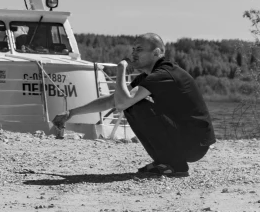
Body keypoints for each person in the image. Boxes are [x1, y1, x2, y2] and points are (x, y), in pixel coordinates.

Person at [52, 33, 216, 178]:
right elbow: (113, 100)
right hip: (186, 140)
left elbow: (123, 102)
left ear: (156, 53)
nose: (133, 54)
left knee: (133, 105)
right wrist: (71, 112)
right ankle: (165, 161)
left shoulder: (163, 74)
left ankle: (175, 165)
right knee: (131, 103)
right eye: (133, 49)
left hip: (194, 144)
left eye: (139, 50)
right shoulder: (149, 75)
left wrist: (121, 70)